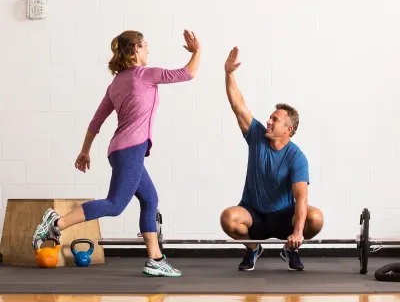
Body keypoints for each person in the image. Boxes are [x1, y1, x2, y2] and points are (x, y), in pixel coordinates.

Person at [32, 29, 201, 277]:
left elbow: (96, 121)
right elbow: (188, 73)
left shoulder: (116, 83)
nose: (148, 51)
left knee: (150, 199)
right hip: (131, 148)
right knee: (115, 204)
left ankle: (156, 259)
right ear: (135, 49)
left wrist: (85, 151)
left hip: (121, 150)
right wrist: (197, 51)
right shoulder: (145, 75)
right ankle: (56, 223)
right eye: (145, 46)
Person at [220, 46, 323, 272]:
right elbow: (238, 106)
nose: (268, 121)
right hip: (254, 214)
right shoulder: (257, 136)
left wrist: (297, 232)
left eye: (274, 119)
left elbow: (301, 198)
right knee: (228, 217)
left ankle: (290, 249)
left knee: (315, 217)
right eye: (270, 117)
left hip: (284, 217)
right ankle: (253, 248)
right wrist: (229, 73)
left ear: (288, 129)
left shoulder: (297, 157)